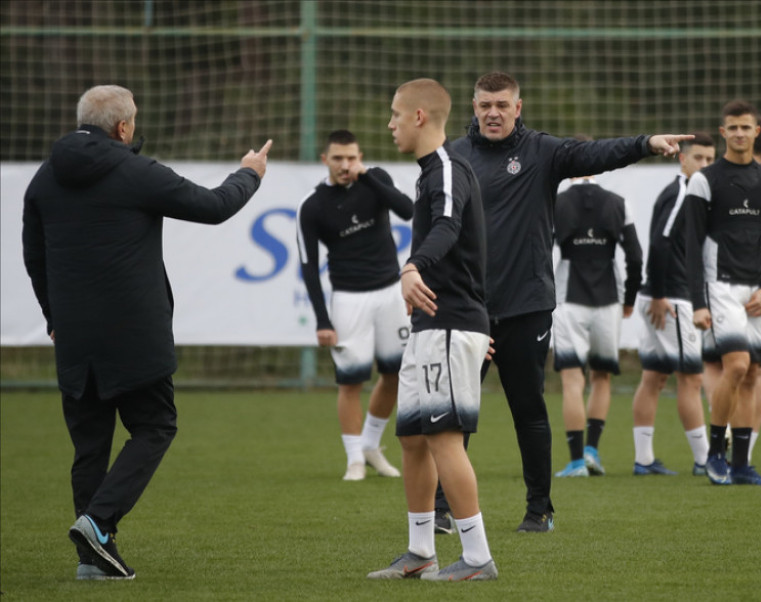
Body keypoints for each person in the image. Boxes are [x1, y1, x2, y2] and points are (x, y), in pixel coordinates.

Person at [21, 84, 271, 580]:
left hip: (74, 338)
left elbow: (34, 256)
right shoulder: (135, 170)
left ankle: (93, 560)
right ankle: (98, 524)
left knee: (90, 446)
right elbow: (214, 206)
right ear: (123, 127)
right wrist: (250, 172)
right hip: (134, 334)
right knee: (155, 425)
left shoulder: (44, 178)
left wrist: (53, 316)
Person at [441, 71, 691, 532]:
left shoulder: (541, 151)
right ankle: (442, 510)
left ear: (518, 108)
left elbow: (595, 154)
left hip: (527, 305)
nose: (493, 113)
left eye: (502, 105)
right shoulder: (452, 156)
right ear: (473, 108)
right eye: (485, 105)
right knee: (455, 413)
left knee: (528, 410)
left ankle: (539, 510)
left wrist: (645, 143)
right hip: (468, 308)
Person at [368, 78, 496, 582]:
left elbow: (446, 227)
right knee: (413, 439)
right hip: (433, 326)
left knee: (444, 438)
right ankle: (421, 552)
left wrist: (412, 266)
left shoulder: (445, 167)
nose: (390, 124)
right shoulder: (431, 172)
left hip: (448, 325)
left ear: (419, 117)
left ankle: (477, 558)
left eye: (396, 114)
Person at [296, 129, 414, 481]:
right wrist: (322, 321)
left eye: (351, 158)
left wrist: (368, 177)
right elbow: (308, 267)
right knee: (350, 382)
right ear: (325, 160)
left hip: (391, 293)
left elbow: (407, 210)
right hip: (348, 299)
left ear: (359, 157)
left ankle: (371, 445)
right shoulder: (312, 205)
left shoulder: (376, 180)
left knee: (395, 373)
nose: (345, 165)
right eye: (338, 158)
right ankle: (354, 460)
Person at [684, 100, 761, 487]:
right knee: (738, 366)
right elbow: (691, 246)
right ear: (723, 132)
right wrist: (698, 303)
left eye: (746, 127)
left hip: (757, 291)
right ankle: (716, 454)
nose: (740, 134)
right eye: (733, 128)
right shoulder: (704, 181)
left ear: (756, 132)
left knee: (754, 373)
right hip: (721, 285)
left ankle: (742, 465)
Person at [551, 138, 643, 478]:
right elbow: (635, 256)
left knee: (572, 380)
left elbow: (540, 251)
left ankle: (576, 462)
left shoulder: (556, 202)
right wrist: (629, 298)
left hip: (568, 299)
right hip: (608, 301)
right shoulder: (617, 202)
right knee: (601, 377)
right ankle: (592, 452)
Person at [630, 132, 716, 477]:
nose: (705, 165)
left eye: (710, 159)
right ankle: (705, 459)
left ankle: (644, 460)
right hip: (671, 298)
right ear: (682, 159)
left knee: (654, 377)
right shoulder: (682, 192)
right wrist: (660, 293)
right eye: (699, 158)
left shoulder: (694, 193)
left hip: (662, 295)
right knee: (691, 379)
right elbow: (660, 243)